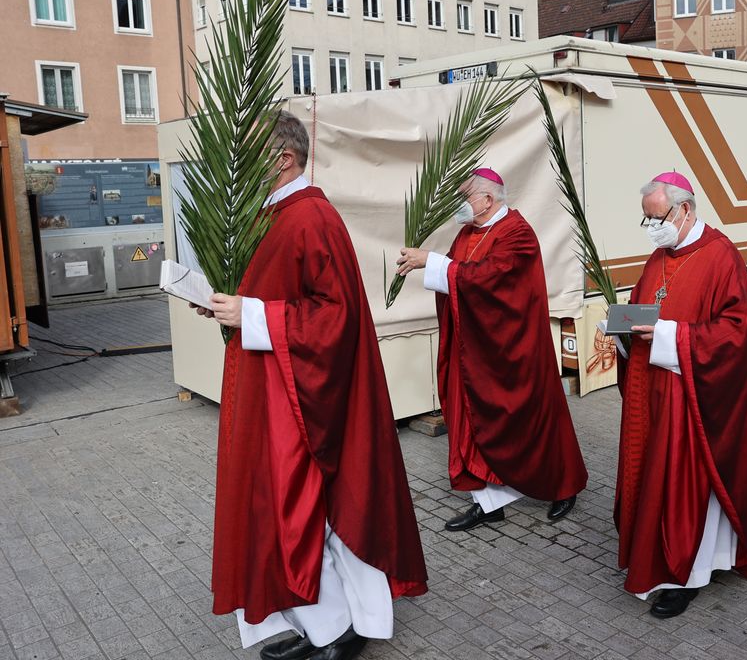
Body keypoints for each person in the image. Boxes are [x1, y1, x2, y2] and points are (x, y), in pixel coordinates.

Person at [197, 111, 427, 660]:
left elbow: (336, 318)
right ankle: (321, 626)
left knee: (309, 514)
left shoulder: (312, 218)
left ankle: (350, 627)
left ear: (283, 159)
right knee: (287, 516)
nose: (238, 168)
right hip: (275, 392)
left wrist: (253, 316)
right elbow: (279, 294)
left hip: (304, 401)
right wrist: (232, 309)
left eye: (249, 155)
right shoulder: (273, 215)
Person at [395, 168, 587, 531]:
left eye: (465, 197)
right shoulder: (467, 232)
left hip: (515, 350)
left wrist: (431, 262)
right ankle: (488, 502)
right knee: (470, 418)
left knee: (537, 422)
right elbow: (458, 274)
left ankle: (563, 486)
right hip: (476, 349)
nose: (460, 204)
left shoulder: (518, 234)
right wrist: (432, 264)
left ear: (487, 199)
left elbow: (488, 279)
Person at [614, 172, 747, 619]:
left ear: (685, 210)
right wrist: (620, 329)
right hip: (653, 391)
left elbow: (739, 330)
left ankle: (688, 574)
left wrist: (670, 337)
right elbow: (644, 306)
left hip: (694, 399)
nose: (652, 228)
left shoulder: (721, 257)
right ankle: (654, 549)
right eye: (646, 220)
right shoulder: (659, 255)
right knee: (655, 477)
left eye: (657, 218)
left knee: (686, 485)